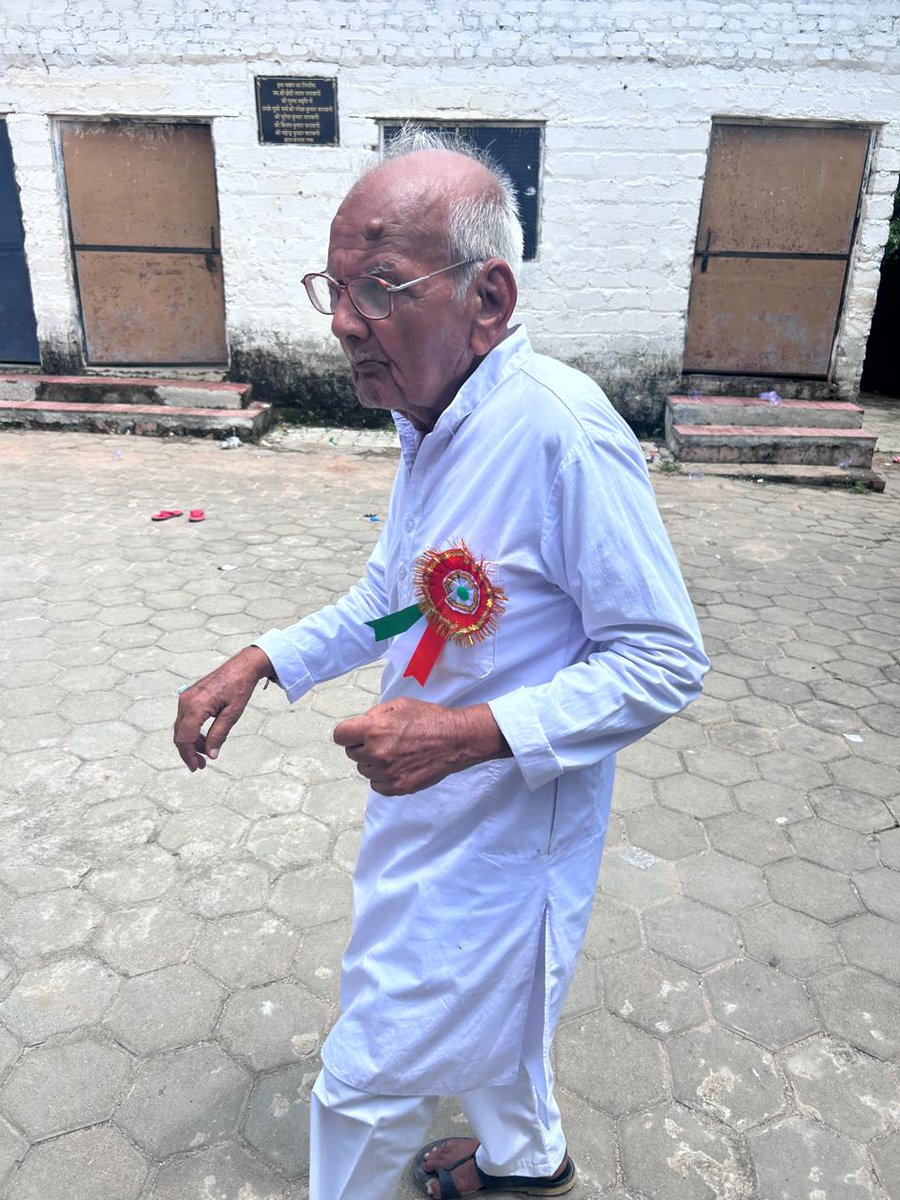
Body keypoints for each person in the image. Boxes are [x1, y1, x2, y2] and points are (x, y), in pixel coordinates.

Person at [174, 129, 709, 1200]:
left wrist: (465, 735)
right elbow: (398, 610)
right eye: (335, 285)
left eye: (378, 286)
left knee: (368, 1081)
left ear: (488, 300)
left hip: (510, 833)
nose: (340, 321)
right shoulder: (434, 424)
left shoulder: (561, 432)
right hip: (428, 804)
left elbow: (661, 657)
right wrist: (265, 658)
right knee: (502, 1020)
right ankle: (529, 1165)